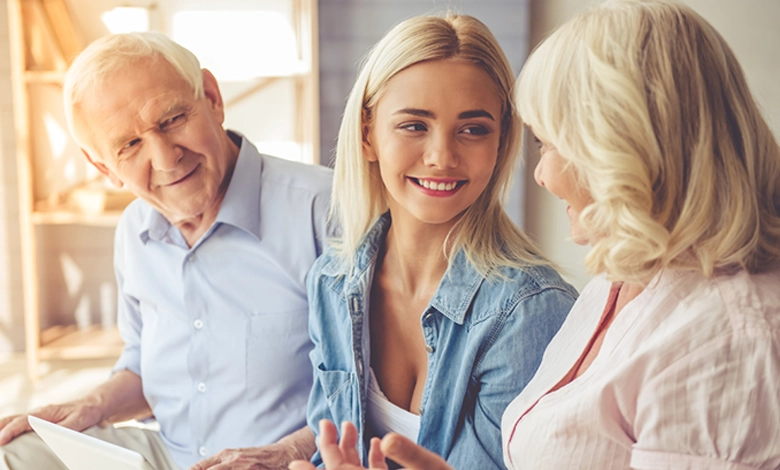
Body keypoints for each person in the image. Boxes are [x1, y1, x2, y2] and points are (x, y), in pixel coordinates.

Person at [290, 0, 780, 469]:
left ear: (639, 147)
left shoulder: (726, 336)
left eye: (562, 143)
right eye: (414, 125)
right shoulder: (612, 287)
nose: (543, 175)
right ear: (365, 134)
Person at [0, 32, 333, 470]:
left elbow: (378, 390)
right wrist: (92, 406)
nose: (165, 158)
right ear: (104, 167)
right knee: (16, 451)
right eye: (129, 145)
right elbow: (143, 367)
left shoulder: (324, 208)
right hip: (167, 457)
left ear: (211, 98)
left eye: (172, 119)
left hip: (288, 461)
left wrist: (285, 453)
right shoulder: (133, 231)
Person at [300, 13, 577, 470]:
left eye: (473, 129)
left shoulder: (531, 311)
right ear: (367, 134)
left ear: (501, 141)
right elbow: (325, 444)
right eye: (414, 125)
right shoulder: (331, 280)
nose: (441, 157)